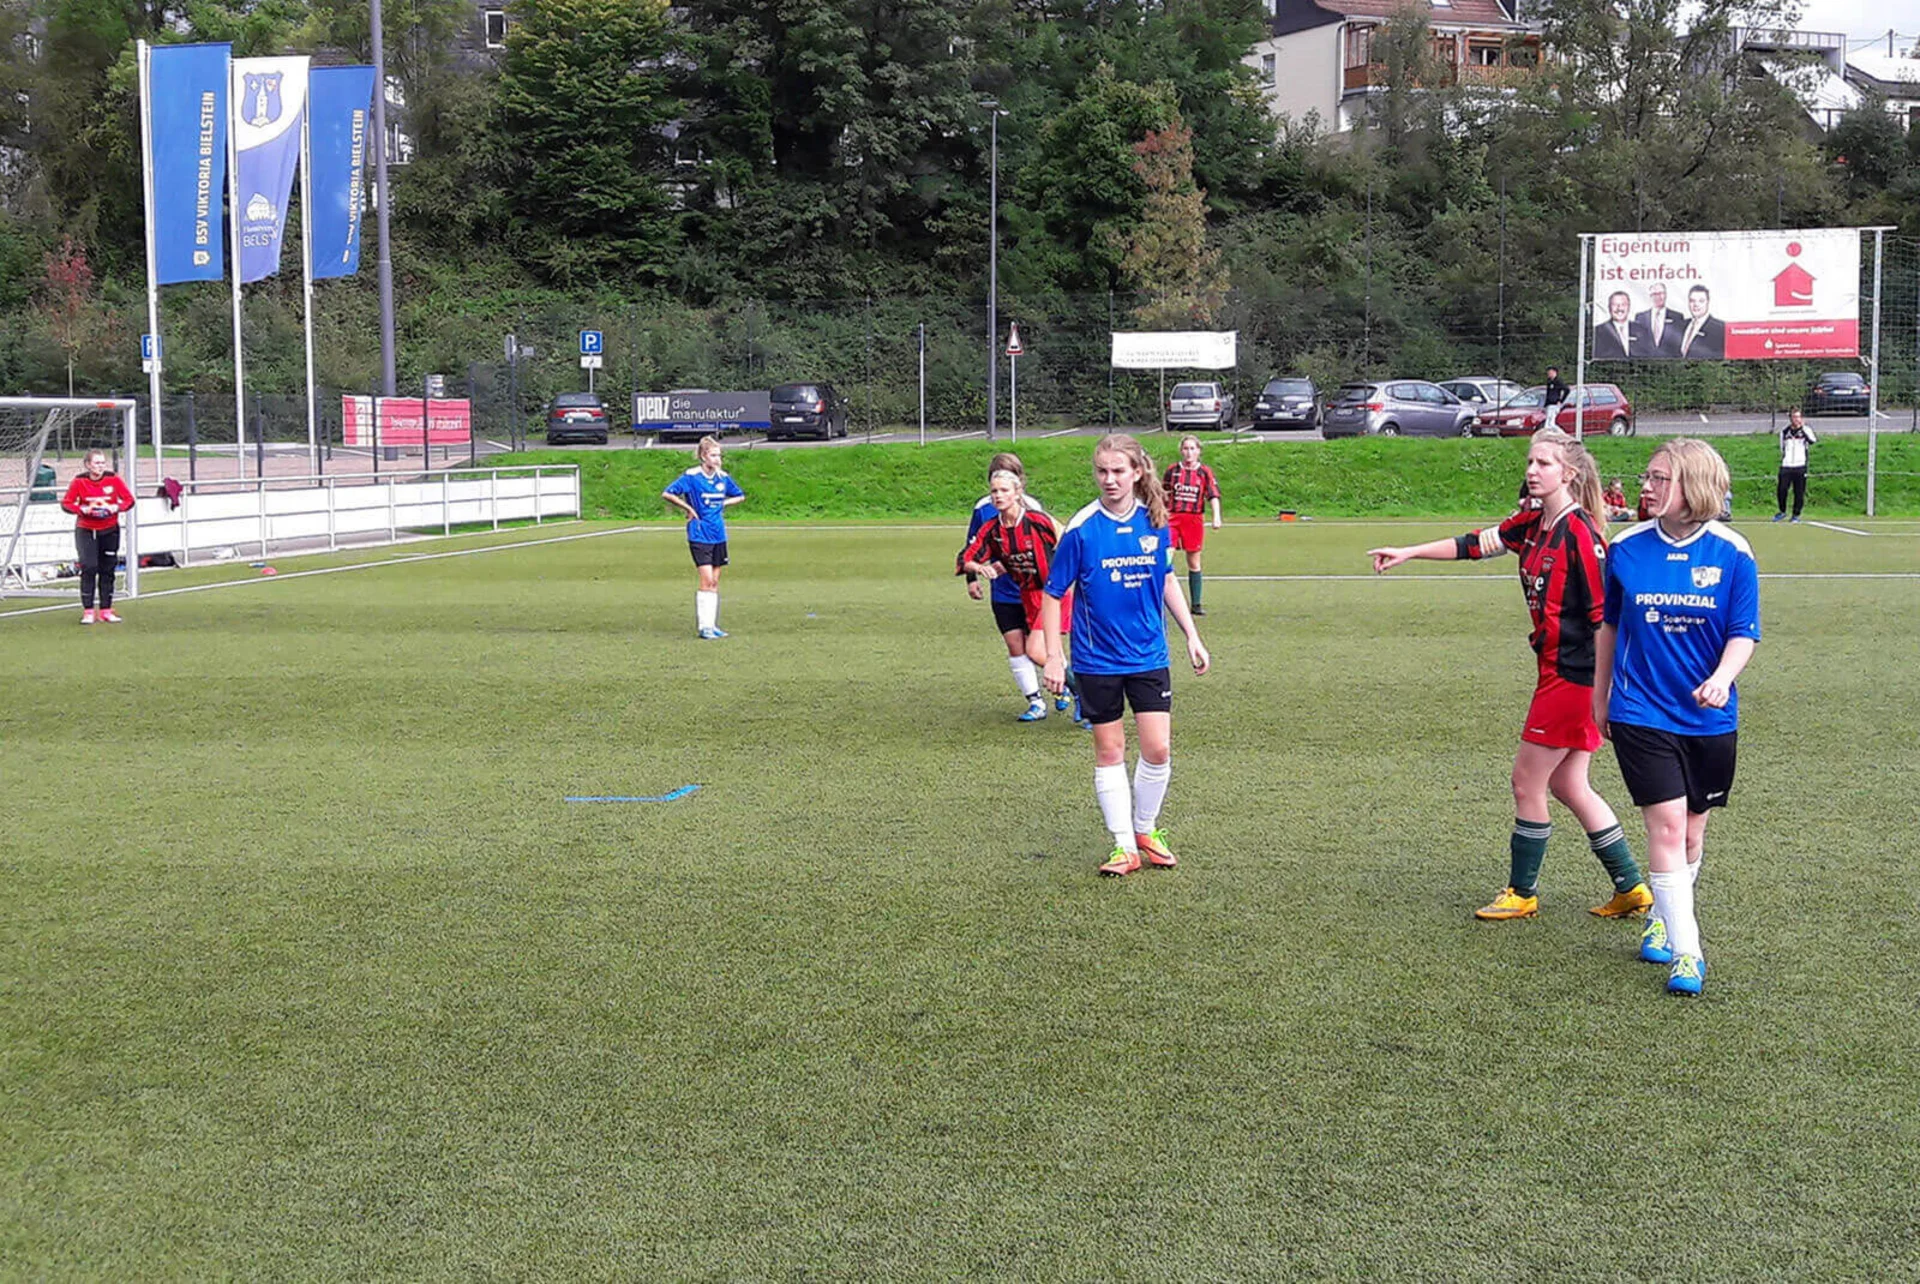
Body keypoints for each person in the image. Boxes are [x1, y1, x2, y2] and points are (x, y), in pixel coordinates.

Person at [1368, 429, 1649, 921]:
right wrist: (1410, 551)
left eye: (1543, 463)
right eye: (1531, 461)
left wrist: (1605, 690)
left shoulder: (1581, 535)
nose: (1532, 470)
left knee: (1527, 781)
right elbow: (1475, 544)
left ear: (1571, 474)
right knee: (1569, 785)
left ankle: (1522, 892)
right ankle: (1631, 887)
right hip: (1558, 673)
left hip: (1574, 676)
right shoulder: (1534, 523)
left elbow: (1608, 619)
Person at [1595, 439, 1759, 996]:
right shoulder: (1626, 547)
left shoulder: (1733, 552)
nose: (1646, 486)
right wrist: (1602, 696)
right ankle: (1688, 954)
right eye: (1647, 476)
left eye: (1660, 478)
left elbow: (1744, 633)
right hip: (1640, 708)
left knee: (1691, 832)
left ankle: (1664, 916)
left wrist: (1721, 679)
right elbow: (1609, 628)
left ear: (1694, 485)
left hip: (1709, 719)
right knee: (1664, 827)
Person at [1040, 434, 1210, 876]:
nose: (1109, 480)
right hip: (1097, 660)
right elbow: (1054, 592)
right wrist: (1055, 657)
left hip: (1150, 655)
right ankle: (1122, 847)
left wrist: (1191, 634)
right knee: (1110, 750)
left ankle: (1145, 829)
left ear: (1137, 472)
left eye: (1118, 471)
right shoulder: (1081, 528)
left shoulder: (1156, 521)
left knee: (1158, 748)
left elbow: (1167, 580)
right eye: (1102, 471)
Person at [955, 468, 1082, 724]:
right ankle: (1082, 694)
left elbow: (1068, 541)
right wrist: (981, 568)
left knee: (1035, 650)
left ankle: (1086, 696)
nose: (998, 495)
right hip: (1028, 596)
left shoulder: (1037, 520)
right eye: (994, 491)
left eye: (1004, 490)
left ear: (1017, 493)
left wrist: (1069, 576)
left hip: (1054, 594)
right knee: (1039, 651)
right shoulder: (992, 530)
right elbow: (966, 558)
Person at [661, 436, 746, 639]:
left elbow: (740, 495)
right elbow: (668, 493)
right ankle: (704, 627)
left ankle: (711, 625)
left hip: (718, 534)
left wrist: (723, 505)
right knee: (706, 579)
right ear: (703, 456)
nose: (718, 459)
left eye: (719, 455)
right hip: (699, 534)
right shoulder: (691, 477)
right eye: (713, 455)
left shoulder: (723, 478)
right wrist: (688, 507)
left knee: (715, 581)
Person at [60, 449, 136, 624]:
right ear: (88, 465)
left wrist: (116, 507)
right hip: (86, 529)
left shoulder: (113, 479)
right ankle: (88, 611)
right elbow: (67, 503)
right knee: (89, 566)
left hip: (110, 530)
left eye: (102, 463)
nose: (100, 466)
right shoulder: (79, 481)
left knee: (108, 569)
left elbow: (129, 500)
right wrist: (83, 510)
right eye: (96, 463)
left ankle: (106, 610)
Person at [1162, 435, 1222, 616]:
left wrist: (1216, 517)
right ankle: (1158, 601)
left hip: (1194, 520)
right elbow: (1162, 494)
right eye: (1186, 449)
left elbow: (1213, 495)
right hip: (1172, 518)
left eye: (1192, 449)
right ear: (1181, 451)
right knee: (1166, 558)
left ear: (1198, 451)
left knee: (1194, 562)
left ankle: (1196, 604)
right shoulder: (1172, 470)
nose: (1189, 452)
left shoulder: (1204, 472)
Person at [1773, 408, 1817, 523]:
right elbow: (1782, 448)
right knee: (1782, 489)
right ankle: (1782, 511)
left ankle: (1796, 514)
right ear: (1790, 418)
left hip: (1800, 465)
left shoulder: (1806, 430)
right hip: (1786, 465)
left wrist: (1802, 428)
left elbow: (1812, 441)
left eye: (1798, 417)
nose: (1796, 419)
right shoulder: (1784, 432)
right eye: (1794, 417)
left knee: (1799, 491)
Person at [1634, 282, 1685, 358]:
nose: (1658, 297)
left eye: (1661, 293)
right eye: (1654, 294)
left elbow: (1678, 344)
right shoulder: (1640, 318)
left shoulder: (1677, 317)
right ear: (1650, 296)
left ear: (1666, 295)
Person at [1678, 285, 1725, 360]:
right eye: (1692, 301)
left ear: (1708, 302)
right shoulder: (1680, 325)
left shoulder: (1720, 329)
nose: (1696, 305)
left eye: (1701, 301)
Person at [1591, 290, 1636, 360]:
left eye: (1623, 304)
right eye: (1615, 305)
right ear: (1609, 307)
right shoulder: (1598, 331)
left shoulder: (1642, 330)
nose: (1619, 308)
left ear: (1629, 307)